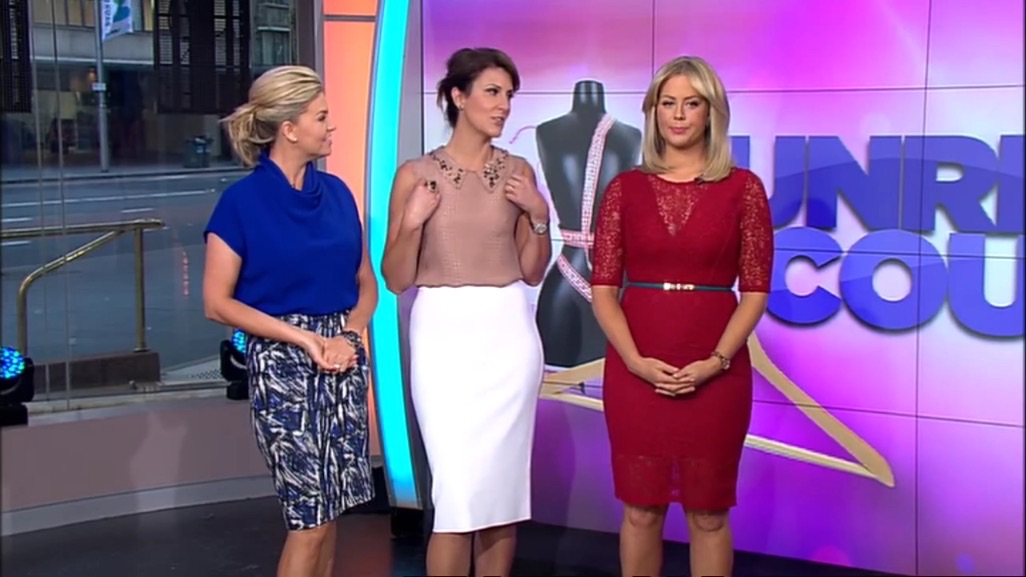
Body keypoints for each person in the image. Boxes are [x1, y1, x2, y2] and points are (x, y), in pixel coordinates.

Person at [590, 55, 774, 577]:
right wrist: (635, 361)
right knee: (640, 509)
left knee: (709, 514)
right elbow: (603, 290)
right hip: (635, 369)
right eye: (667, 103)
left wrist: (716, 361)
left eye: (691, 104)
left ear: (711, 112)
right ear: (652, 112)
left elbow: (755, 292)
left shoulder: (744, 189)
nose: (678, 115)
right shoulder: (624, 189)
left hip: (717, 371)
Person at [202, 65, 378, 577]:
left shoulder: (339, 193)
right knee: (308, 520)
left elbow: (366, 284)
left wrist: (348, 336)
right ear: (289, 128)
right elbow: (216, 302)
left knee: (331, 510)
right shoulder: (241, 204)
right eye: (321, 117)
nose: (331, 125)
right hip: (283, 365)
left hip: (342, 361)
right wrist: (302, 339)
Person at [381, 47, 551, 577]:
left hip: (508, 332)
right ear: (458, 96)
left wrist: (540, 214)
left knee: (501, 498)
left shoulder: (518, 172)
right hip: (443, 335)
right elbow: (396, 278)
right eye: (492, 93)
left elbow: (532, 271)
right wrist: (412, 222)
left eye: (509, 95)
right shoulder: (416, 175)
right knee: (455, 498)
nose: (504, 106)